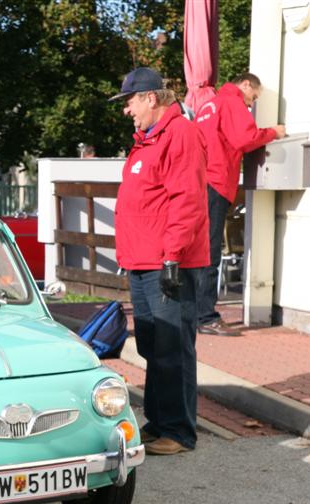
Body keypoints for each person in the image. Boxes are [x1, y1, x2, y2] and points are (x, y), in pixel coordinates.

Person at [111, 66, 208, 456]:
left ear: (151, 98)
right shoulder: (149, 138)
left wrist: (172, 257)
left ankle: (180, 431)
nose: (126, 110)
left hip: (168, 262)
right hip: (143, 260)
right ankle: (159, 420)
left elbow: (187, 200)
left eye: (130, 101)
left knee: (173, 347)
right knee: (153, 345)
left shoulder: (179, 134)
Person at [195, 72, 286, 335]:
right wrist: (274, 132)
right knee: (211, 251)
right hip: (217, 180)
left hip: (200, 180)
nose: (250, 104)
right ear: (246, 85)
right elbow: (244, 138)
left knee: (198, 249)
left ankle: (193, 313)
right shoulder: (232, 102)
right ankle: (206, 317)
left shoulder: (208, 105)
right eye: (253, 98)